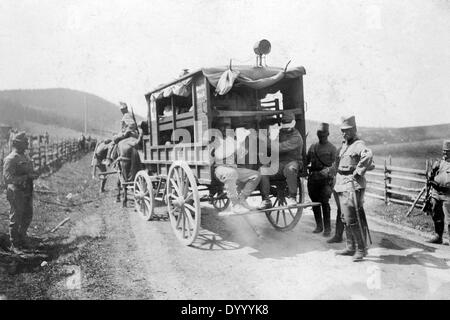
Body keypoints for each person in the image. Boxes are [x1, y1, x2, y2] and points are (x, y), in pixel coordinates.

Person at [334, 115, 373, 262]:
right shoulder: (344, 145)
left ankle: (361, 249)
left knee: (352, 218)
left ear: (354, 130)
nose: (344, 133)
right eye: (342, 131)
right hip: (342, 184)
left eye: (348, 130)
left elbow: (368, 155)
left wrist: (359, 171)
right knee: (345, 218)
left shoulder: (358, 144)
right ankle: (350, 247)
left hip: (353, 184)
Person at [213, 118, 261, 214]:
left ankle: (242, 199)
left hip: (233, 169)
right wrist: (235, 146)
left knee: (256, 175)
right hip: (220, 169)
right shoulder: (214, 140)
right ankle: (235, 205)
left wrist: (242, 143)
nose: (224, 129)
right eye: (222, 126)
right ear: (218, 128)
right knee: (231, 173)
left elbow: (241, 154)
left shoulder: (231, 140)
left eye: (227, 126)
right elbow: (219, 154)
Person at [3, 132, 39, 254]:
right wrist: (26, 177)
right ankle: (15, 244)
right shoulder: (10, 159)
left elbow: (30, 172)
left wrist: (34, 174)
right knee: (16, 217)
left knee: (28, 215)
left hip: (27, 191)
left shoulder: (25, 157)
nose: (27, 144)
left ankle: (22, 237)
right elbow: (7, 178)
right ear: (17, 144)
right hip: (16, 192)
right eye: (25, 142)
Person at [259, 111, 304, 209]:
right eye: (285, 125)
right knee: (263, 170)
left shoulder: (296, 138)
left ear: (293, 123)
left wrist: (264, 139)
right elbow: (272, 148)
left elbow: (278, 147)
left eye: (288, 125)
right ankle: (266, 200)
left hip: (293, 162)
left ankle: (292, 197)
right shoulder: (281, 134)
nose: (286, 127)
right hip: (280, 165)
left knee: (290, 168)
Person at [306, 122, 337, 236]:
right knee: (315, 203)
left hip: (325, 180)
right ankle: (319, 226)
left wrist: (328, 172)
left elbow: (335, 166)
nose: (321, 135)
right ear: (317, 133)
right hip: (313, 179)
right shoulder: (313, 147)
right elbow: (306, 160)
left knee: (324, 202)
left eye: (323, 133)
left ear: (328, 133)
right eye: (319, 133)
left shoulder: (332, 148)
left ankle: (327, 229)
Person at [425, 140, 450, 244]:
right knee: (436, 215)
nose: (444, 153)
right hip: (436, 193)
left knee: (449, 219)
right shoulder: (439, 162)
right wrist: (432, 171)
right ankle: (438, 236)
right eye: (443, 151)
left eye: (447, 151)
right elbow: (430, 176)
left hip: (447, 195)